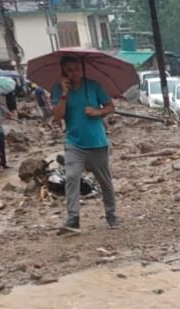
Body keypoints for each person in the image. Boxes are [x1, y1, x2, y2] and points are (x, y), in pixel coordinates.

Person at [51, 55, 118, 232]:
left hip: (97, 142)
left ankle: (111, 215)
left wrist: (98, 112)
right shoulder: (58, 89)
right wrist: (64, 95)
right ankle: (73, 219)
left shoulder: (94, 86)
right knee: (72, 177)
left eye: (76, 69)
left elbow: (110, 107)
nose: (74, 73)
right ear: (63, 72)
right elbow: (57, 117)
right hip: (74, 143)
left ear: (81, 69)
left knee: (105, 181)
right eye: (69, 70)